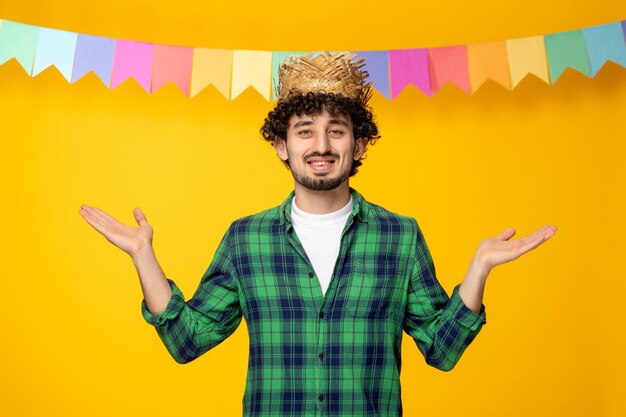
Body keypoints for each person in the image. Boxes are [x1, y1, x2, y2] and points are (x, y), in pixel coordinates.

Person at [79, 51, 557, 416]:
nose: (321, 146)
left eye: (337, 130)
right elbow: (186, 341)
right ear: (281, 145)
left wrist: (479, 269)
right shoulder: (246, 240)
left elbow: (442, 349)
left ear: (360, 142)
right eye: (305, 131)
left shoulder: (400, 237)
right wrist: (143, 256)